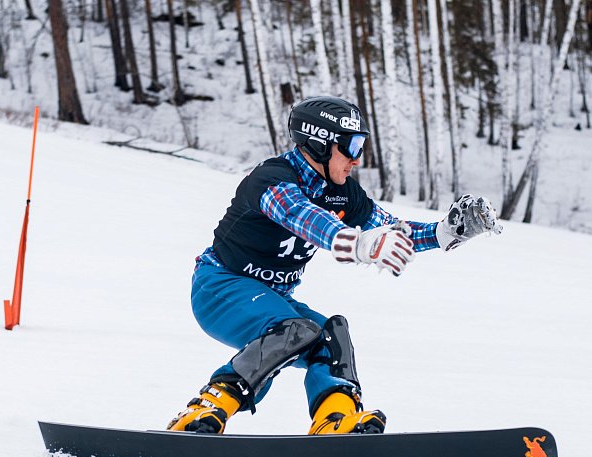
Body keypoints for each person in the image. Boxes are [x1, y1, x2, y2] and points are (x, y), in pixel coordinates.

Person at [167, 96, 501, 435]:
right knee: (293, 328)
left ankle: (334, 419)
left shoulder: (344, 193)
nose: (357, 160)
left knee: (330, 334)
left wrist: (444, 232)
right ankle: (206, 408)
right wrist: (356, 244)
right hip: (220, 286)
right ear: (320, 143)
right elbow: (301, 215)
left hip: (272, 296)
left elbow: (390, 229)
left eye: (362, 147)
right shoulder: (272, 179)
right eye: (352, 147)